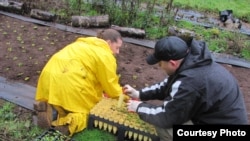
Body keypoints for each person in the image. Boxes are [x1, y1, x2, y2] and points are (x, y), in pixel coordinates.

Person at [123, 36, 248, 141]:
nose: (160, 66)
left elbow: (166, 117)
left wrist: (139, 107)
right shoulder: (192, 62)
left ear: (172, 63)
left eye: (160, 63)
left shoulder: (190, 83)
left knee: (164, 128)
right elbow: (167, 85)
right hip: (217, 119)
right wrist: (139, 94)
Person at [34, 28, 128, 136]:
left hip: (49, 75)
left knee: (61, 101)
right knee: (89, 112)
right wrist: (126, 96)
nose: (117, 52)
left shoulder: (82, 43)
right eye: (117, 48)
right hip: (70, 80)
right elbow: (111, 87)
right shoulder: (106, 55)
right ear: (108, 43)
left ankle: (46, 106)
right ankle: (68, 124)